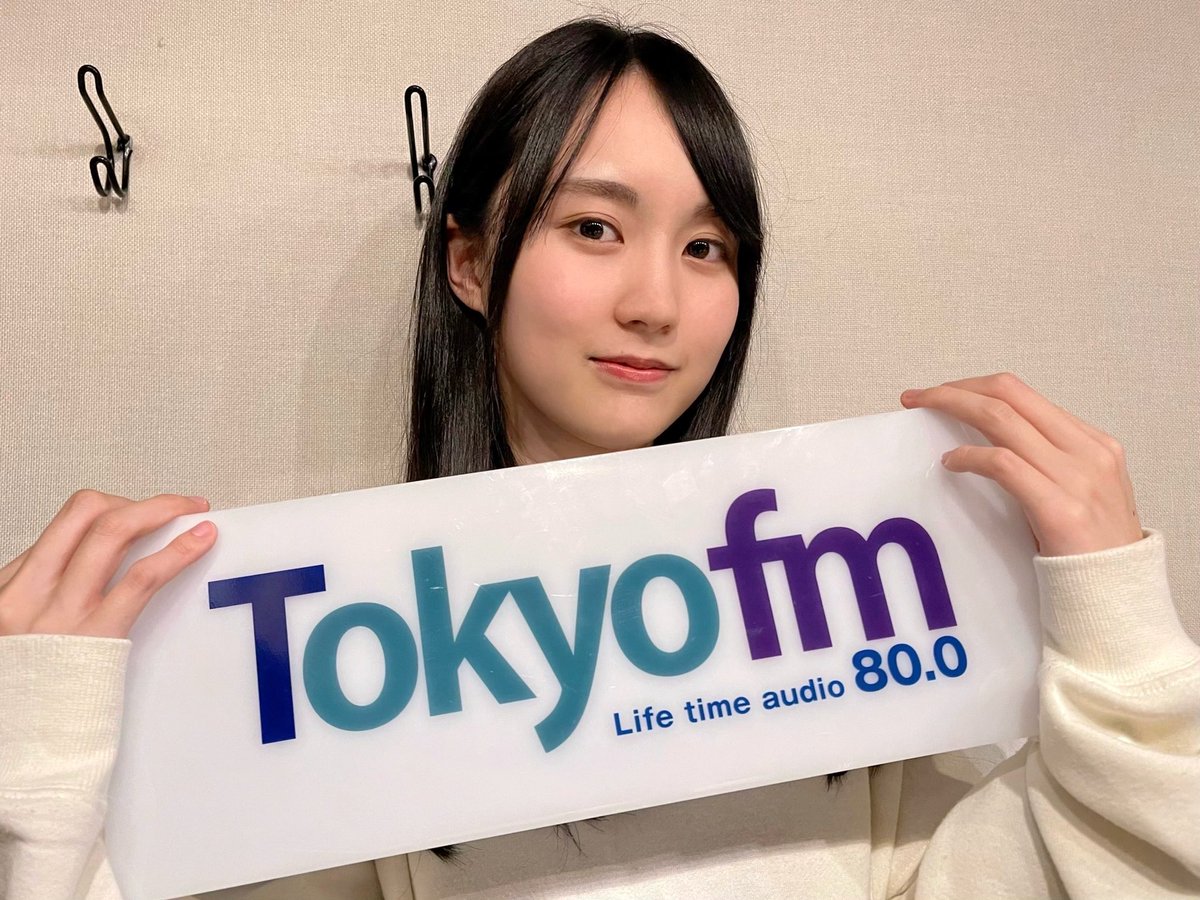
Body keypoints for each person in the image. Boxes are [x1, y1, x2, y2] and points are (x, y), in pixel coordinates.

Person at [1, 15, 1197, 900]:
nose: (656, 304)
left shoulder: (838, 603)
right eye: (593, 227)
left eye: (707, 247)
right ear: (472, 264)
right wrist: (41, 752)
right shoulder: (343, 649)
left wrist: (1124, 644)